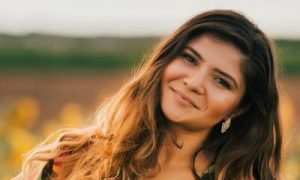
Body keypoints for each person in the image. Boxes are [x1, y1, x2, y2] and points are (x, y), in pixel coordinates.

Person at [15, 9, 282, 180]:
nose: (194, 83)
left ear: (240, 107)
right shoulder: (71, 159)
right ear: (165, 60)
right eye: (189, 59)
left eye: (221, 81)